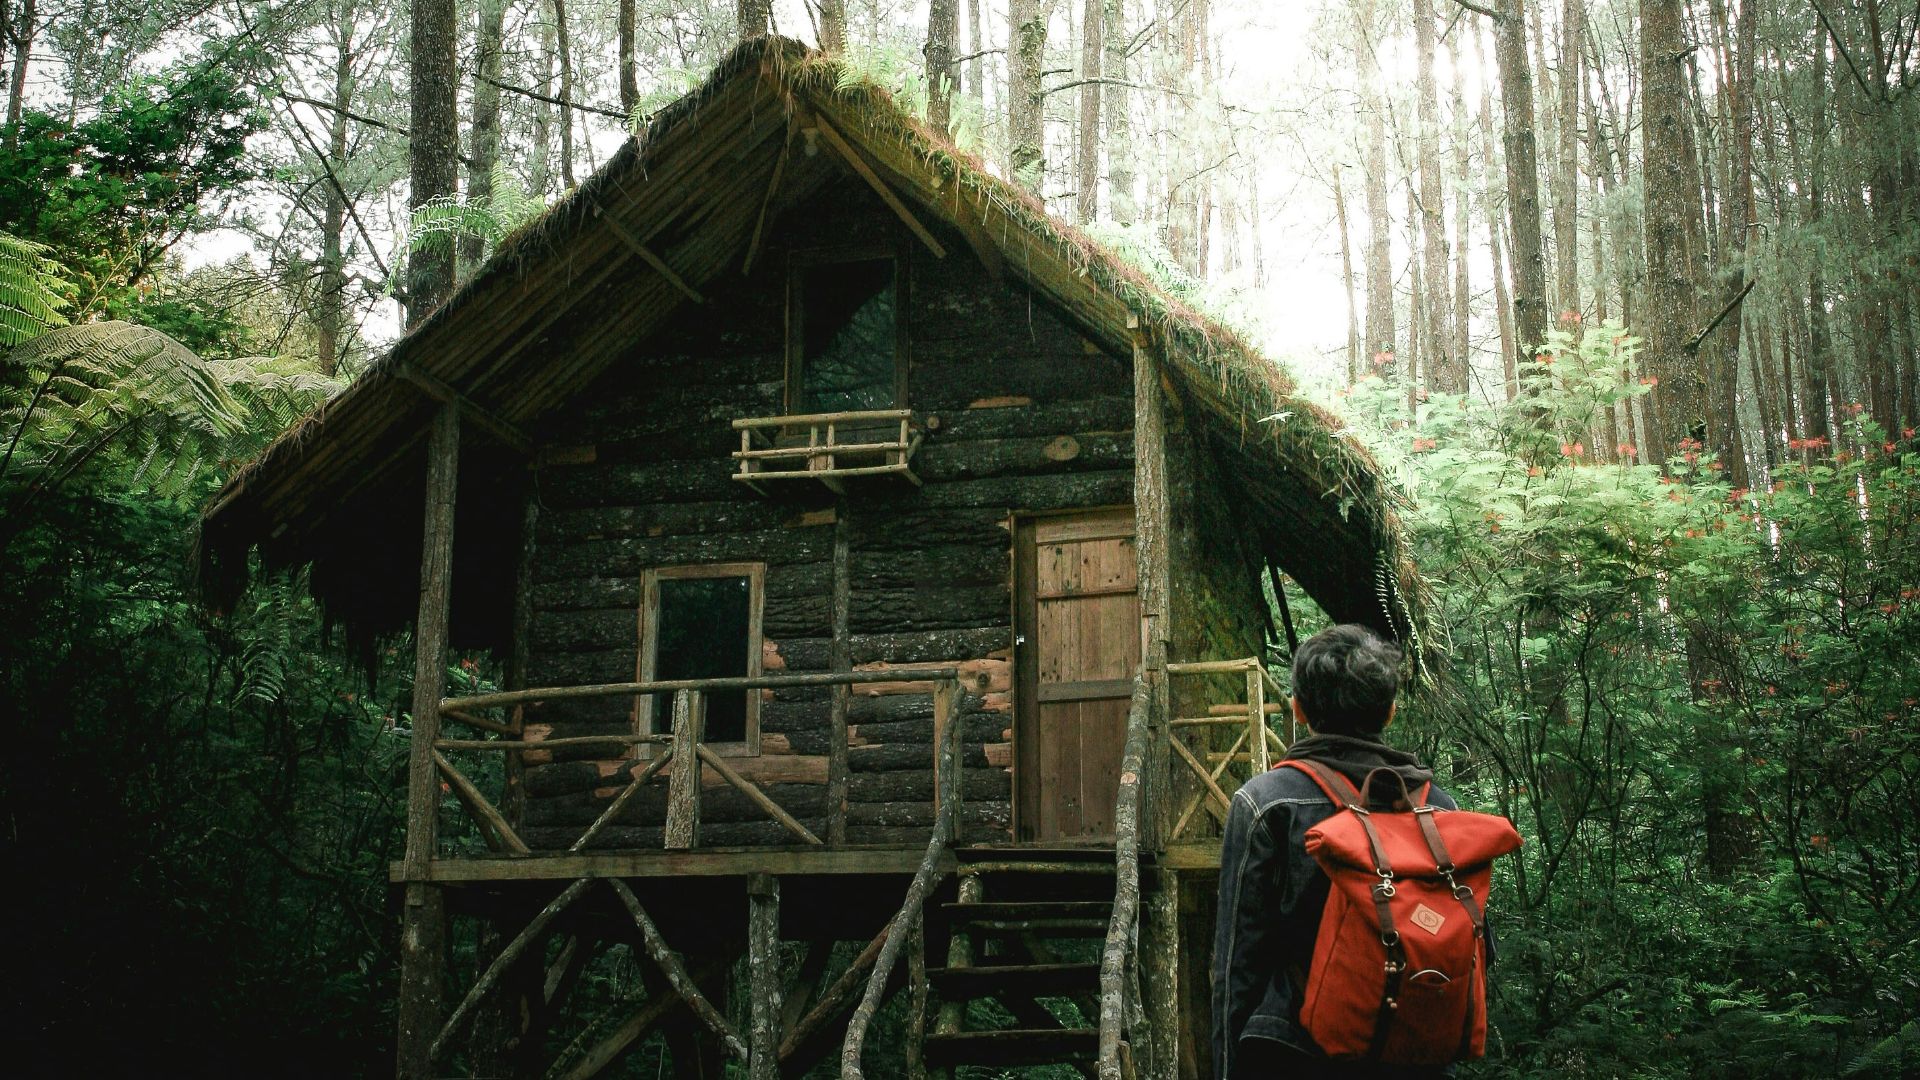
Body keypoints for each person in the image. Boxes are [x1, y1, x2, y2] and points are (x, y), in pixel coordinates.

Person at [1211, 623, 1479, 1079]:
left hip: (1296, 1052)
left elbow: (1237, 970)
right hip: (1414, 1059)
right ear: (1390, 712)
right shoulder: (1439, 810)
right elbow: (1473, 950)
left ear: (1298, 710)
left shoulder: (1266, 804)